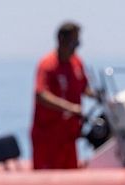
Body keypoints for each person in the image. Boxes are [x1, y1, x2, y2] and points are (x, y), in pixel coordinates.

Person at [30, 22, 94, 170]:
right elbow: (40, 94)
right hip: (48, 136)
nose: (76, 46)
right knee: (47, 179)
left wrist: (99, 96)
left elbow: (84, 88)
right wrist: (70, 108)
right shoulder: (47, 65)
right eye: (74, 42)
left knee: (71, 174)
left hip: (69, 136)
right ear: (61, 40)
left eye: (78, 42)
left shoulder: (77, 63)